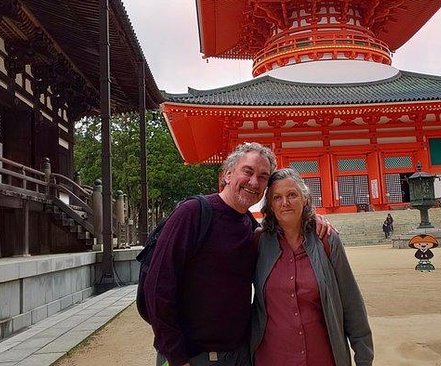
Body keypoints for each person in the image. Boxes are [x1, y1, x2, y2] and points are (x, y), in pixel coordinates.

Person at [144, 143, 331, 366]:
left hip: (238, 354)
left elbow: (286, 231)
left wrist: (310, 221)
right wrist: (177, 356)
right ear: (228, 173)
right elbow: (157, 286)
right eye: (248, 171)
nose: (254, 182)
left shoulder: (250, 226)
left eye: (263, 177)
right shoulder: (193, 213)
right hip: (193, 356)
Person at [251, 168, 374, 366]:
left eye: (292, 195)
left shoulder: (326, 240)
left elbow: (351, 302)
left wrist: (364, 358)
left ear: (305, 198)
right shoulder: (258, 243)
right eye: (277, 197)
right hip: (271, 357)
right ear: (270, 205)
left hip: (322, 356)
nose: (285, 203)